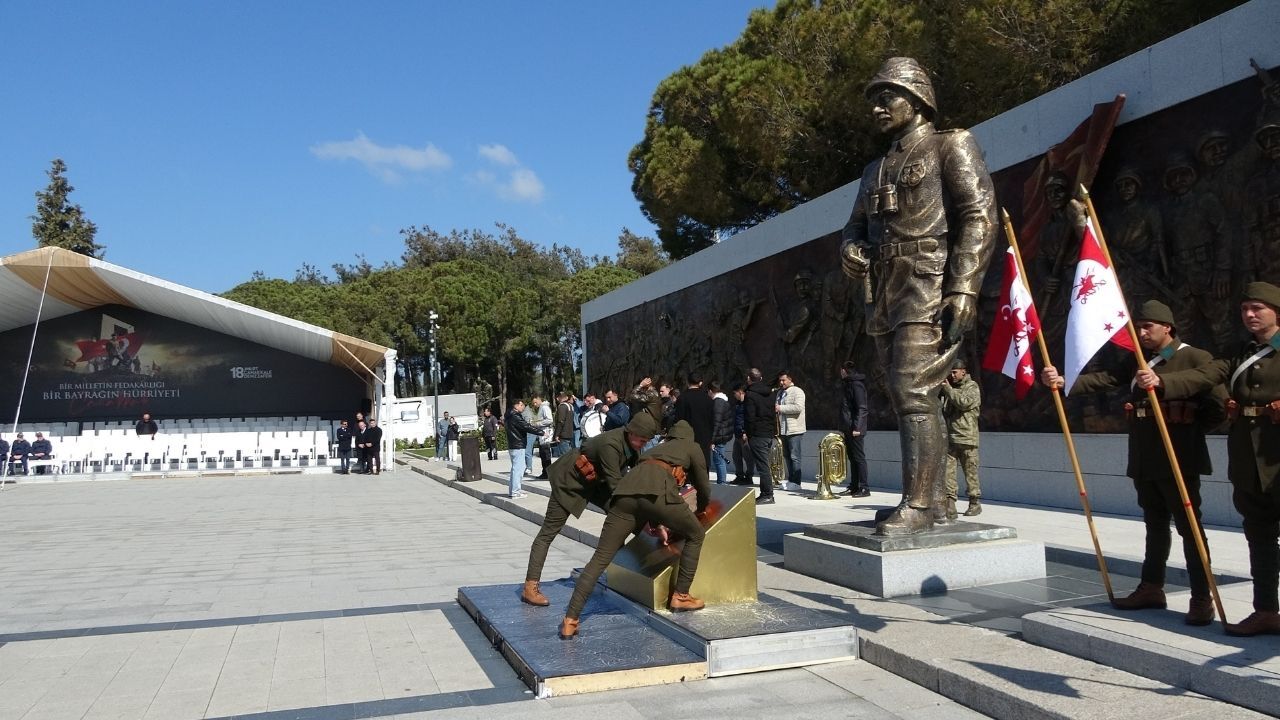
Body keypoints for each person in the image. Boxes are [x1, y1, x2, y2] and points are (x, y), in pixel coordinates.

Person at [839, 56, 998, 535]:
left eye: (887, 96)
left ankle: (920, 503)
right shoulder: (874, 169)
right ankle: (939, 503)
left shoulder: (951, 144)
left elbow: (979, 215)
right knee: (909, 395)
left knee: (913, 390)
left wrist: (964, 286)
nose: (877, 107)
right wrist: (850, 249)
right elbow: (854, 226)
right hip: (883, 289)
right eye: (874, 99)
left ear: (918, 99)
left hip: (928, 284)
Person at [1046, 300, 1222, 626]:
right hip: (1145, 457)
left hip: (1179, 458)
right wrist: (1063, 381)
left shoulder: (1194, 358)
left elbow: (1218, 406)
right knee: (1155, 525)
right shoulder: (1138, 360)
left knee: (1190, 529)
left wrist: (1187, 429)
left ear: (1167, 327)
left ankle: (1201, 597)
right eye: (1138, 327)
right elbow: (1105, 378)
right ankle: (1151, 587)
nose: (1140, 333)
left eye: (1147, 327)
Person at [1136, 282, 1280, 635]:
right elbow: (1207, 375)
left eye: (1258, 308)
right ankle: (1266, 610)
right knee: (1259, 536)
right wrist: (1162, 382)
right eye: (1245, 308)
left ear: (1276, 312)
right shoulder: (1240, 352)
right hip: (1249, 462)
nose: (1249, 314)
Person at [558, 420, 711, 639]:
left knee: (600, 558)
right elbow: (703, 484)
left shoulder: (651, 451)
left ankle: (570, 620)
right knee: (696, 534)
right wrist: (703, 508)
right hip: (660, 495)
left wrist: (656, 524)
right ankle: (681, 596)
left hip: (623, 498)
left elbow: (642, 489)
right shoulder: (691, 446)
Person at [521, 412, 660, 606]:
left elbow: (637, 477)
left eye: (646, 441)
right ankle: (530, 586)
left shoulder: (631, 445)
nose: (643, 445)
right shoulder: (611, 445)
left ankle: (622, 572)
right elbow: (616, 487)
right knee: (548, 532)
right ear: (631, 432)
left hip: (594, 482)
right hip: (569, 482)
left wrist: (652, 514)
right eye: (642, 441)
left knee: (622, 515)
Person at [939, 359, 983, 519]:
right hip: (951, 439)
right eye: (950, 373)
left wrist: (948, 390)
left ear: (963, 371)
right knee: (948, 473)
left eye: (954, 372)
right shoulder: (950, 389)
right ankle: (950, 503)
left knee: (971, 473)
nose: (952, 375)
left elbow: (963, 403)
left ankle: (974, 502)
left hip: (967, 438)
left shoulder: (972, 387)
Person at [743, 368, 776, 504]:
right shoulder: (771, 394)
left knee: (763, 466)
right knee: (764, 464)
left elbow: (749, 417)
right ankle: (765, 493)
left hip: (757, 434)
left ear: (749, 379)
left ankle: (768, 494)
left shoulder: (750, 395)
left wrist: (749, 434)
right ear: (761, 379)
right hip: (768, 432)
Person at [839, 361, 871, 497]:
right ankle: (853, 486)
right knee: (852, 458)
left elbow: (862, 408)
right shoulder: (848, 384)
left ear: (844, 371)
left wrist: (857, 427)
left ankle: (864, 488)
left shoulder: (856, 385)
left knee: (859, 458)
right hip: (848, 427)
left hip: (855, 428)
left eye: (841, 371)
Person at [504, 400, 544, 499]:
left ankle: (513, 491)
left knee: (515, 469)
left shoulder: (509, 415)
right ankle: (515, 492)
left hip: (513, 445)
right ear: (517, 405)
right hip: (518, 445)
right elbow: (526, 426)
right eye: (522, 406)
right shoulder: (515, 416)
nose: (523, 408)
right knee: (519, 469)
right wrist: (541, 432)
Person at [673, 372, 715, 465]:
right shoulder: (708, 399)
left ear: (688, 382)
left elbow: (678, 420)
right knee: (703, 465)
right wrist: (711, 439)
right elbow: (712, 421)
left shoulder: (682, 398)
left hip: (686, 439)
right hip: (704, 439)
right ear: (700, 383)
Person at [775, 371, 807, 492]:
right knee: (787, 456)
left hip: (795, 430)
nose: (781, 382)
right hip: (783, 429)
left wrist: (780, 408)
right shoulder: (780, 393)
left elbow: (798, 407)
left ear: (790, 379)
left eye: (783, 380)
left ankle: (797, 482)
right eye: (780, 380)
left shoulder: (797, 391)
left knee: (795, 457)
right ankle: (791, 480)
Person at [730, 383, 755, 486]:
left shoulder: (748, 403)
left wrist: (745, 431)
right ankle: (739, 476)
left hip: (745, 435)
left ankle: (749, 477)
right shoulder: (737, 404)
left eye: (735, 393)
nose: (734, 395)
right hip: (737, 434)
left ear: (740, 392)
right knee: (736, 456)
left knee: (748, 457)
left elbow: (749, 418)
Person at [709, 381, 733, 484]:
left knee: (719, 461)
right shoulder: (723, 401)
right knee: (719, 460)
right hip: (722, 434)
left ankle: (722, 482)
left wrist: (712, 440)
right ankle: (721, 481)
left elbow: (716, 422)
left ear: (711, 391)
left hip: (719, 436)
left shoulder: (718, 402)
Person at [552, 392, 575, 458]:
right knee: (569, 455)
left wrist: (557, 434)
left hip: (563, 435)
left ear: (558, 398)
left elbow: (560, 421)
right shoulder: (570, 406)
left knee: (565, 457)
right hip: (569, 433)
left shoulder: (562, 406)